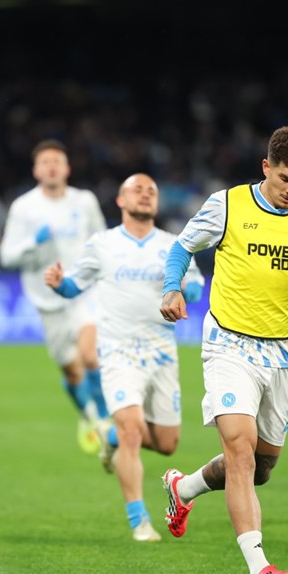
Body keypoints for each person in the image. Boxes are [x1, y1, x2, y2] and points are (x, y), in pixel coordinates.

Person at [159, 126, 288, 574]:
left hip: (283, 353)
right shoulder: (228, 205)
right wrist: (172, 287)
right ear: (266, 167)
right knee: (239, 451)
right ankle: (259, 568)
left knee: (260, 468)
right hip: (229, 345)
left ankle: (183, 488)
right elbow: (182, 247)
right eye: (285, 179)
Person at [43, 174, 204, 542]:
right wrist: (59, 283)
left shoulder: (173, 245)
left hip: (161, 353)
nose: (145, 195)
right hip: (118, 352)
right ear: (120, 200)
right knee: (133, 429)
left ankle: (110, 436)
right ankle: (139, 520)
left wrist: (185, 289)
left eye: (151, 191)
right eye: (137, 190)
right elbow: (74, 286)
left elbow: (195, 286)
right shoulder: (102, 244)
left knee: (167, 444)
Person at [0, 139, 110, 453]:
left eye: (57, 161)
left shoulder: (84, 201)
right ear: (36, 170)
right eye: (45, 162)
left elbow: (102, 240)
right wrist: (33, 243)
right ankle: (88, 415)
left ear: (67, 168)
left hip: (83, 290)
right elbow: (6, 256)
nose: (51, 167)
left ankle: (105, 420)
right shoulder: (23, 207)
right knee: (71, 370)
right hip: (47, 300)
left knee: (90, 356)